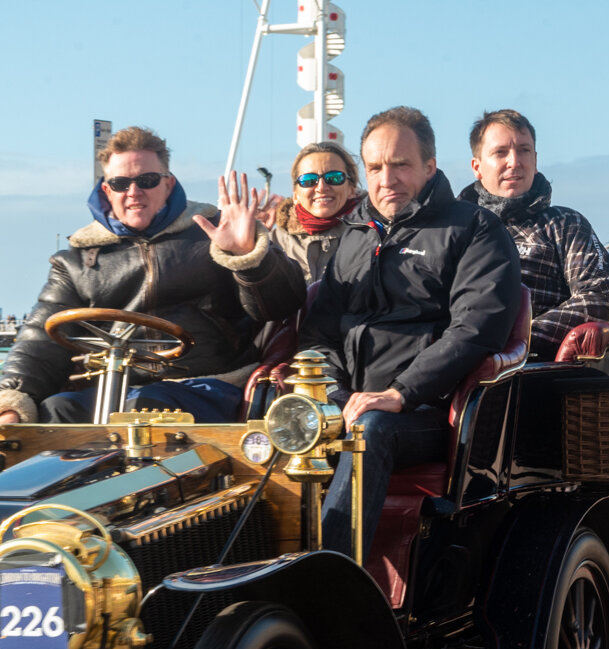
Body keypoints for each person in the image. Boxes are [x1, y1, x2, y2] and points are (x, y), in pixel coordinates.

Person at [223, 105, 521, 559]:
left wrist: (399, 393)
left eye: (401, 164)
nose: (387, 179)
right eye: (376, 167)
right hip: (350, 399)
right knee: (270, 413)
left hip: (429, 411)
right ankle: (242, 564)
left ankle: (332, 577)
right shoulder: (356, 234)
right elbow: (319, 332)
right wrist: (329, 394)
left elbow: (475, 330)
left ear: (429, 166)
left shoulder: (474, 228)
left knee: (369, 429)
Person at [0, 125, 292, 427]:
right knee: (56, 412)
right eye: (121, 183)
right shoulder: (77, 260)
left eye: (146, 180)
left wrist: (247, 257)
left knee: (143, 410)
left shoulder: (215, 235)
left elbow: (282, 306)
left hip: (208, 386)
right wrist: (11, 407)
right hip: (113, 391)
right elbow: (39, 340)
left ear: (169, 185)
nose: (134, 192)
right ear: (107, 191)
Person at [456, 110, 609, 360]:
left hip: (533, 370)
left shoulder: (565, 224)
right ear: (477, 166)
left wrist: (517, 339)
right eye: (501, 152)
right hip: (451, 358)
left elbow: (601, 297)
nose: (514, 162)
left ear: (535, 159)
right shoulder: (452, 231)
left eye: (524, 150)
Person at [267, 140, 362, 280]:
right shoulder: (273, 243)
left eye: (334, 178)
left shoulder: (372, 236)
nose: (321, 187)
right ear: (295, 194)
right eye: (309, 180)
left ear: (351, 189)